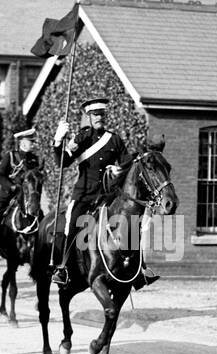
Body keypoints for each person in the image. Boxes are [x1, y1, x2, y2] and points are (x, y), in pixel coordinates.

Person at [52, 98, 157, 287]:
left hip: (108, 195)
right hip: (85, 195)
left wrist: (120, 169)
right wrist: (58, 141)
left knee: (132, 222)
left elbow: (127, 163)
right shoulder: (81, 139)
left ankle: (139, 269)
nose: (99, 118)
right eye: (95, 115)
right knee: (73, 223)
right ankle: (64, 268)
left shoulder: (114, 139)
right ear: (89, 117)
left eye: (101, 114)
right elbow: (63, 162)